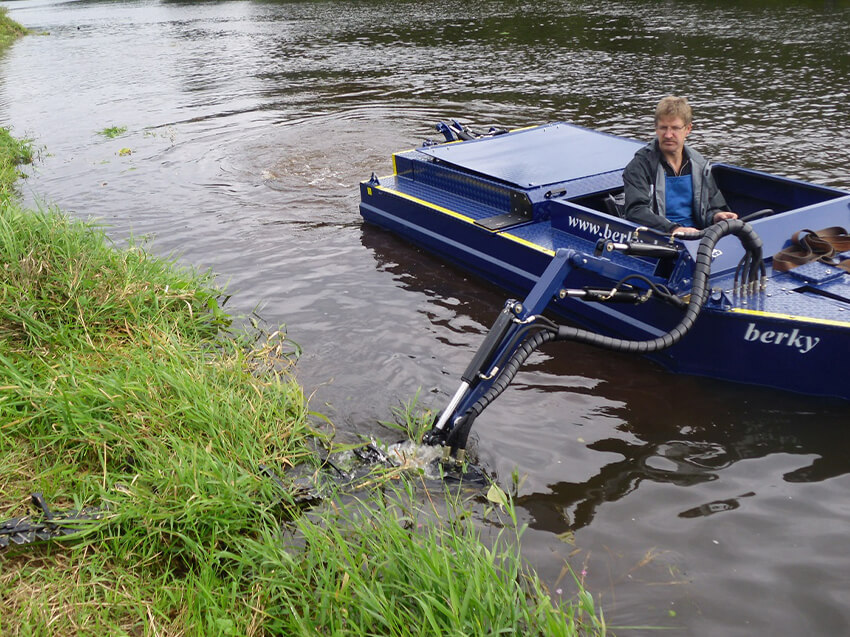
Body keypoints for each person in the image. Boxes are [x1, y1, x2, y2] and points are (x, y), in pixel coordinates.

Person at [622, 96, 737, 234]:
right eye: (663, 128)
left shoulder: (700, 165)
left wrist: (715, 217)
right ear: (656, 128)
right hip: (661, 237)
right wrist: (674, 229)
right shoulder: (640, 166)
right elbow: (636, 211)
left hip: (698, 237)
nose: (668, 135)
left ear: (688, 129)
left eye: (675, 128)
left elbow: (712, 208)